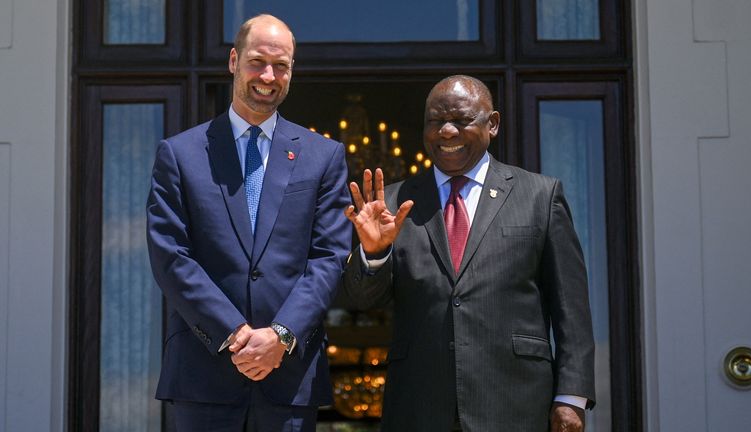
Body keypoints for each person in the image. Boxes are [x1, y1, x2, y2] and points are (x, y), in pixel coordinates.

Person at [340, 75, 595, 432]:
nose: (446, 131)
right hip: (420, 405)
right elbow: (362, 300)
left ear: (492, 124)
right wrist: (374, 253)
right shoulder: (395, 203)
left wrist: (570, 396)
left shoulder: (539, 196)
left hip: (515, 402)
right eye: (435, 121)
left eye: (460, 120)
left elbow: (571, 308)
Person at [146, 14, 351, 431]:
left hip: (289, 378)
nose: (269, 76)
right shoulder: (180, 154)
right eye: (258, 61)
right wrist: (235, 334)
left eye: (282, 66)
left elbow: (329, 257)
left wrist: (280, 335)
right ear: (234, 60)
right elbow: (171, 256)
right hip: (204, 377)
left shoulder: (323, 157)